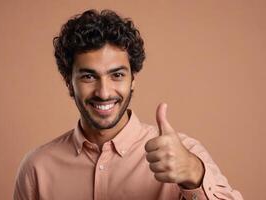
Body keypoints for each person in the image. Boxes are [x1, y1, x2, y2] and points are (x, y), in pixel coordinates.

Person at [13, 9, 243, 200]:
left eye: (117, 75)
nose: (104, 92)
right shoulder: (36, 169)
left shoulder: (183, 154)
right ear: (69, 82)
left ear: (134, 80)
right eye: (88, 76)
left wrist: (193, 173)